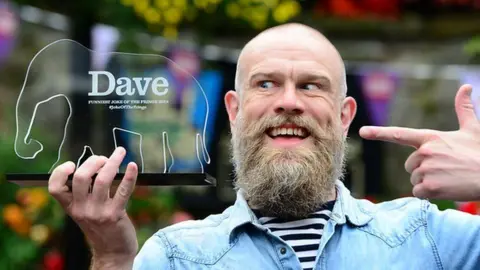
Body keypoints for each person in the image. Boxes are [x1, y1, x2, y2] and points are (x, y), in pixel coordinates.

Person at [47, 23, 480, 270]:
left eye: (311, 85)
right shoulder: (176, 255)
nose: (288, 101)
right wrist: (112, 256)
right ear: (234, 111)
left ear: (345, 115)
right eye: (266, 83)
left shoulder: (431, 237)